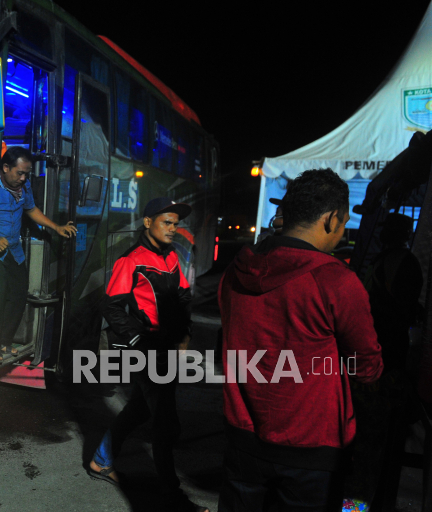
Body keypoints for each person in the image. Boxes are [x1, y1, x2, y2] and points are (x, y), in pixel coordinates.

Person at [217, 168, 383, 512]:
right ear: (331, 218)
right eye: (343, 221)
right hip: (312, 446)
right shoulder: (336, 280)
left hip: (242, 438)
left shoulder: (236, 272)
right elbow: (367, 367)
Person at [88, 197, 207, 512]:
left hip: (165, 348)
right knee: (166, 423)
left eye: (175, 223)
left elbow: (182, 295)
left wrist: (186, 333)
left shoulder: (170, 256)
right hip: (145, 351)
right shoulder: (131, 260)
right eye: (166, 222)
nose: (173, 228)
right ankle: (174, 497)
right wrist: (141, 341)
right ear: (147, 222)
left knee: (141, 409)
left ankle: (101, 460)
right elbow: (112, 307)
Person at [343, 213, 423, 510]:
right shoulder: (396, 261)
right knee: (370, 444)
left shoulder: (392, 261)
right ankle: (356, 504)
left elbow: (391, 314)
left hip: (377, 365)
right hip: (379, 365)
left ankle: (355, 504)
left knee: (368, 444)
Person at [0, 146, 78, 363]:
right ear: (5, 168)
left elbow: (31, 210)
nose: (23, 178)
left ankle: (5, 342)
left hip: (14, 250)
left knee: (19, 296)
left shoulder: (23, 187)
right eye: (19, 173)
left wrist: (55, 227)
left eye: (26, 174)